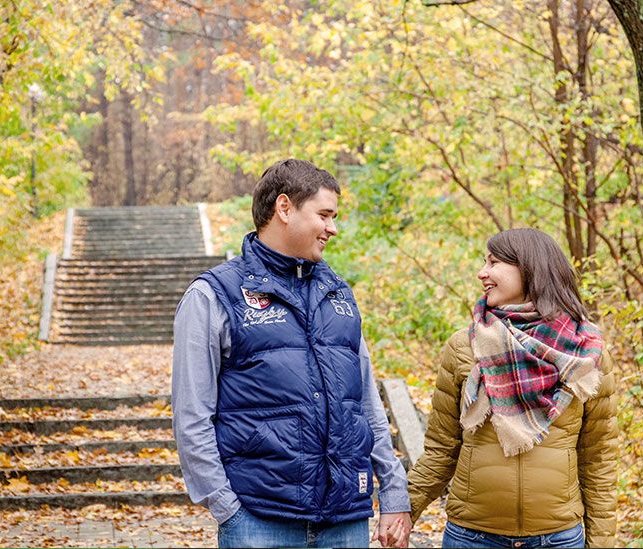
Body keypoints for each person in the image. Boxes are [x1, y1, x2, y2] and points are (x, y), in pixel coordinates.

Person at [172, 159, 412, 548]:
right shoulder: (212, 295)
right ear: (284, 208)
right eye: (324, 215)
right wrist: (227, 507)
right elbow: (192, 416)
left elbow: (366, 405)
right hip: (258, 521)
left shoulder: (339, 295)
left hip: (345, 520)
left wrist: (394, 492)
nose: (333, 228)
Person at [407, 228, 617, 548]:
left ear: (530, 268)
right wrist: (404, 511)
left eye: (493, 263)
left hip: (557, 538)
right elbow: (441, 448)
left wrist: (600, 542)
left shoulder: (586, 353)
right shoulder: (465, 347)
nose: (482, 273)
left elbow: (598, 459)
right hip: (472, 536)